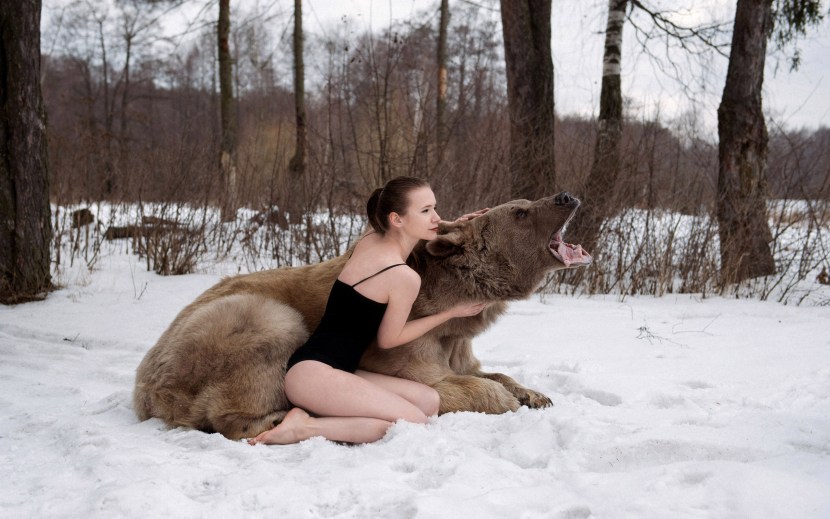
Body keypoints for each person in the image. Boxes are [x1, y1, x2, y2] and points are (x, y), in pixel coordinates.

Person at [249, 176, 486, 445]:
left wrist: (451, 225)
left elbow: (408, 227)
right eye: (426, 211)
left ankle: (314, 416)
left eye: (434, 208)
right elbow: (388, 339)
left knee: (429, 401)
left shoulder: (370, 240)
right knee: (414, 420)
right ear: (396, 219)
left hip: (334, 370)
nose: (436, 217)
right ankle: (304, 426)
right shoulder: (402, 277)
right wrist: (449, 312)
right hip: (313, 377)